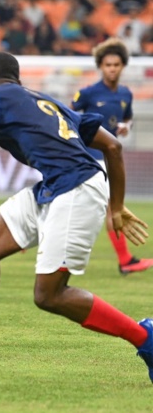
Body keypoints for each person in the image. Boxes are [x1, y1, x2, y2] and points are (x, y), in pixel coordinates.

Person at [0, 52, 152, 381]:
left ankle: (145, 338)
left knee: (49, 295)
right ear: (18, 79)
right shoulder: (48, 102)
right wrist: (116, 205)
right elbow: (112, 147)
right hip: (57, 186)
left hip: (76, 188)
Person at [72, 38, 153, 274]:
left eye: (116, 64)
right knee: (105, 208)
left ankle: (125, 260)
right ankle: (125, 260)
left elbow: (126, 117)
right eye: (108, 65)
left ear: (122, 66)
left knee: (109, 208)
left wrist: (127, 126)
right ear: (100, 66)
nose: (112, 69)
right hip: (88, 158)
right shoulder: (87, 93)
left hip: (109, 158)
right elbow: (67, 116)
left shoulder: (126, 94)